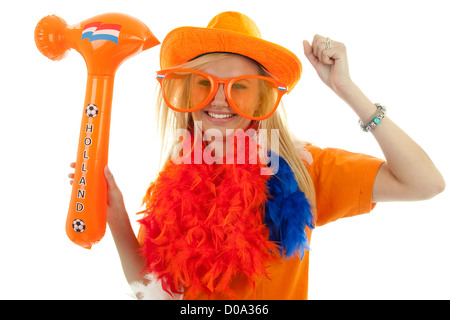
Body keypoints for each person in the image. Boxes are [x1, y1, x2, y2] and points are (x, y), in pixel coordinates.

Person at [69, 11, 445, 300]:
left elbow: (424, 183)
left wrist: (347, 90)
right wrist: (118, 219)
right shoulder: (174, 180)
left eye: (241, 88)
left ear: (264, 99)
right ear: (184, 96)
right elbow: (157, 294)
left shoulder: (303, 170)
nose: (218, 98)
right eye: (203, 84)